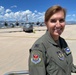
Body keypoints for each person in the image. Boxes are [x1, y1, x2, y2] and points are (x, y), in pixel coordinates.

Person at [29, 5, 76, 75]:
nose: (58, 25)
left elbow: (67, 64)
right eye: (53, 21)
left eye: (61, 20)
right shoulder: (39, 49)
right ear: (46, 23)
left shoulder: (62, 41)